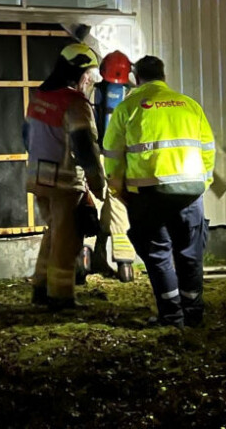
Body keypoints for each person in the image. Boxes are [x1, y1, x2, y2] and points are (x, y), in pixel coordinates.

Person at [103, 56, 216, 328]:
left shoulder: (127, 107)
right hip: (189, 194)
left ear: (137, 78)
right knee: (190, 255)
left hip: (148, 196)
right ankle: (194, 313)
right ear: (163, 76)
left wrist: (119, 191)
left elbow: (112, 156)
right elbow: (208, 152)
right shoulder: (190, 106)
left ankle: (171, 316)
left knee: (158, 254)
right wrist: (203, 185)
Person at [24, 43, 107, 310]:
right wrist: (97, 182)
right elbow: (84, 146)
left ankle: (40, 287)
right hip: (64, 182)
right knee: (66, 240)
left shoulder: (39, 96)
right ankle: (61, 296)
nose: (89, 80)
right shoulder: (75, 102)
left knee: (53, 233)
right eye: (88, 74)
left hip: (38, 177)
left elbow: (25, 136)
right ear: (80, 73)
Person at [82, 50, 136, 283]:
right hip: (121, 160)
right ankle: (125, 265)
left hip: (95, 156)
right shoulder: (132, 96)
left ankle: (85, 257)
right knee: (118, 207)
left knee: (91, 204)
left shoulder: (92, 92)